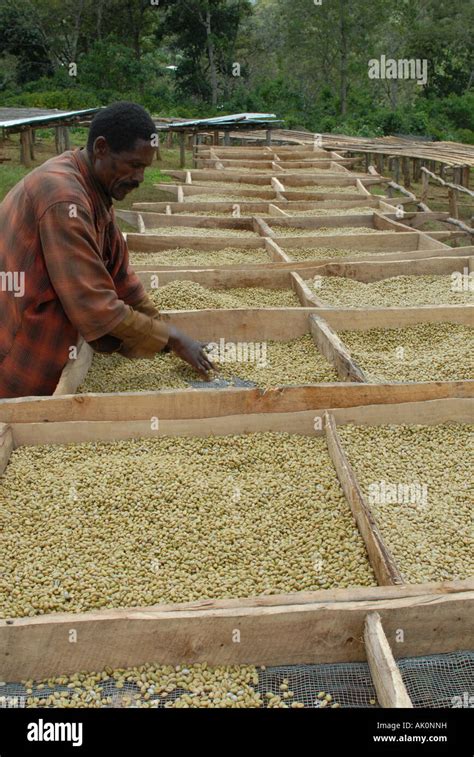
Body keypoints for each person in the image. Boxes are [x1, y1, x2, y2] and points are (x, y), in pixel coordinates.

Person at [0, 101, 215, 399]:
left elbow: (121, 278)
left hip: (46, 342)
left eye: (145, 167)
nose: (140, 178)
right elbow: (95, 307)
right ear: (101, 148)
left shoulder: (95, 188)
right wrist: (172, 338)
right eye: (134, 164)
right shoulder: (64, 199)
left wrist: (165, 332)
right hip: (20, 353)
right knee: (27, 424)